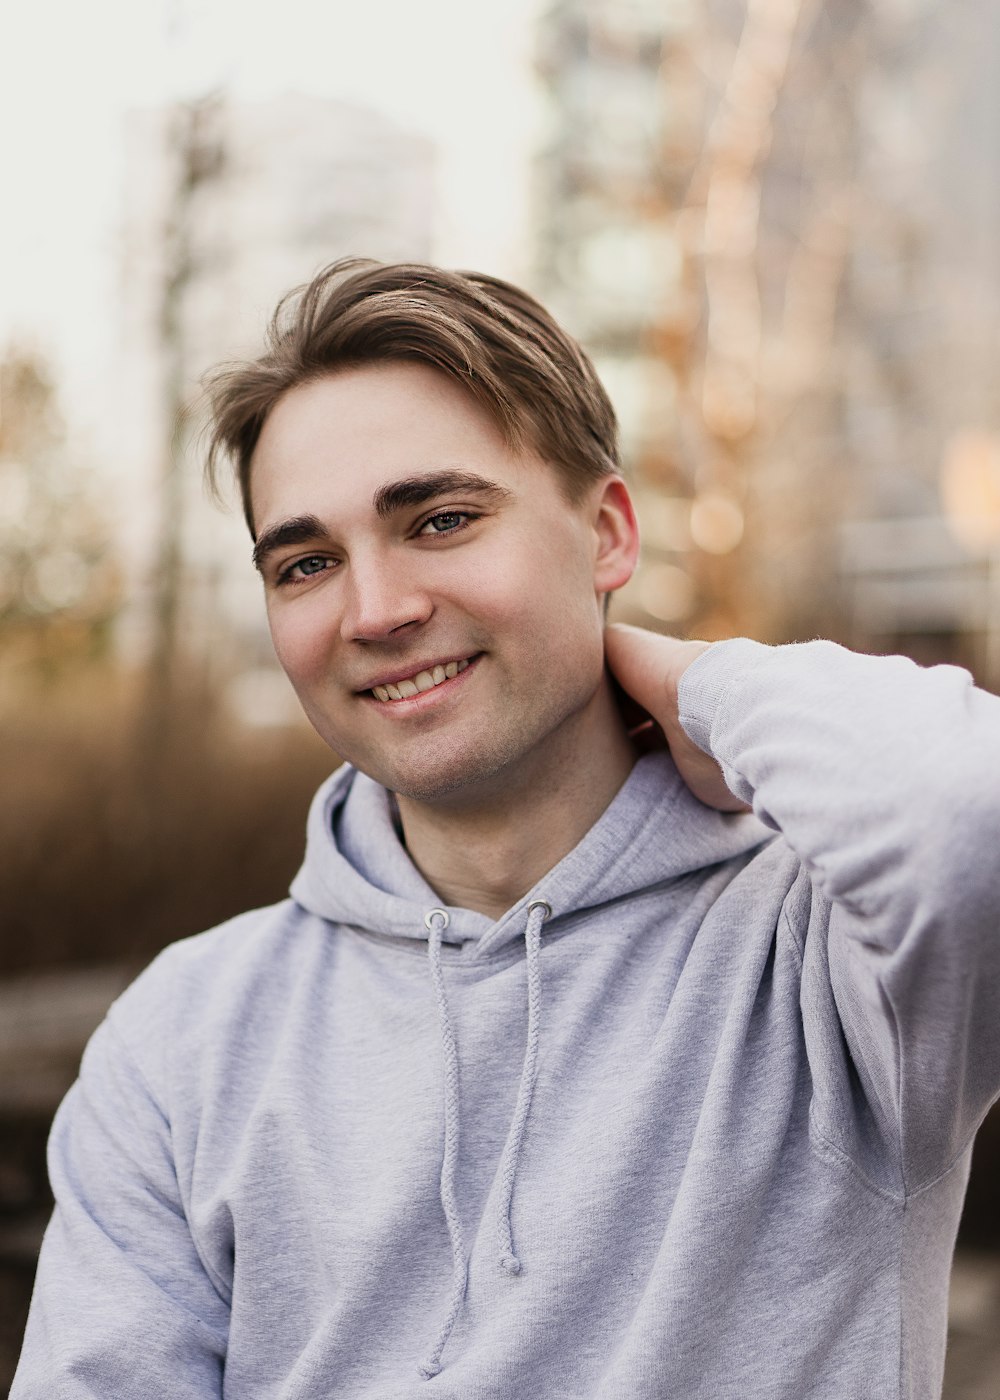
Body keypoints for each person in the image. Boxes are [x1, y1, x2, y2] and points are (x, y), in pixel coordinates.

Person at [12, 259, 1000, 1400]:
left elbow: (973, 810)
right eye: (308, 562)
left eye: (439, 519)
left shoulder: (834, 963)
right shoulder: (181, 1039)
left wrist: (702, 687)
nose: (376, 610)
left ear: (609, 533)